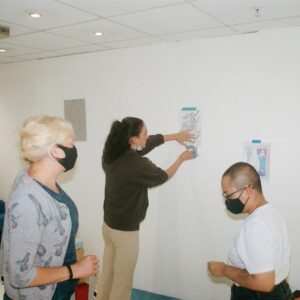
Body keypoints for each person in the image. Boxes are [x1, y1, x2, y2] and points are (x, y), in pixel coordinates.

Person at [96, 116, 197, 300]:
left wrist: (175, 136)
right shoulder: (136, 164)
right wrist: (181, 158)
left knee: (107, 277)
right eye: (144, 133)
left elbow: (145, 146)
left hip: (109, 227)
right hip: (125, 233)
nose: (147, 136)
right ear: (133, 139)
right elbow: (162, 176)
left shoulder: (111, 153)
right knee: (122, 285)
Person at [1, 115, 99, 300]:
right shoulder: (27, 202)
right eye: (70, 143)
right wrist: (75, 270)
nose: (74, 149)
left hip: (57, 291)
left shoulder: (35, 178)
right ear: (55, 151)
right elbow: (20, 275)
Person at [208, 162, 293, 300]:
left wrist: (224, 269)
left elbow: (264, 283)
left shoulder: (256, 226)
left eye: (228, 195)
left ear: (247, 191)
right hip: (280, 291)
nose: (227, 201)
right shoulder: (272, 212)